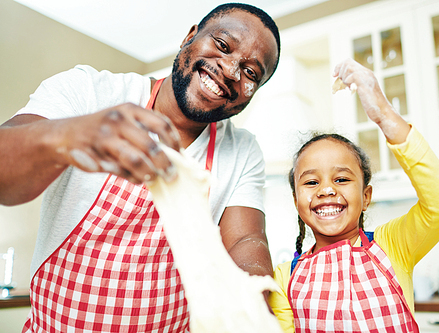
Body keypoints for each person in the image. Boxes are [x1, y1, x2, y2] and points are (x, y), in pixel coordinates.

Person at [0, 3, 280, 332]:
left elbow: (245, 240)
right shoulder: (90, 91)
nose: (231, 71)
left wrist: (252, 305)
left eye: (251, 73)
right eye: (222, 45)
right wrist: (72, 135)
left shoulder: (242, 150)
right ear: (189, 36)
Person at [269, 58, 439, 332]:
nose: (326, 190)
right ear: (295, 200)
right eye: (311, 181)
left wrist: (384, 115)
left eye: (342, 179)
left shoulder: (394, 245)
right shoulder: (283, 277)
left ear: (366, 196)